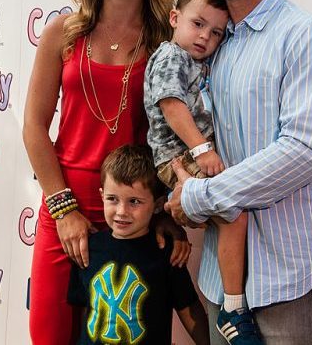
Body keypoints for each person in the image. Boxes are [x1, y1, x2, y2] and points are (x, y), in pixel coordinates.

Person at [164, 0, 312, 343]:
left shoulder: (308, 36)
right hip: (220, 276)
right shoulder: (212, 44)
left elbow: (304, 151)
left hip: (291, 274)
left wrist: (199, 196)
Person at [22, 0, 188, 343]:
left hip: (130, 212)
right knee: (50, 335)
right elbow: (34, 129)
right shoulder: (62, 32)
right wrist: (63, 210)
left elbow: (171, 138)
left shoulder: (166, 43)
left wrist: (162, 210)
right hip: (63, 210)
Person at [144, 0, 261, 343]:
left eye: (216, 33)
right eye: (197, 24)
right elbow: (171, 105)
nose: (205, 38)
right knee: (234, 213)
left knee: (233, 217)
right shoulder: (170, 55)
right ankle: (233, 308)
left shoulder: (202, 61)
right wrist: (201, 149)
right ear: (175, 17)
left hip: (189, 154)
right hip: (177, 155)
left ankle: (234, 302)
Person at [68, 145, 209, 345]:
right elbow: (84, 311)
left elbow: (188, 308)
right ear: (101, 196)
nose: (121, 211)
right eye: (112, 199)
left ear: (158, 205)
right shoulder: (87, 249)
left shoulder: (165, 253)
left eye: (134, 201)